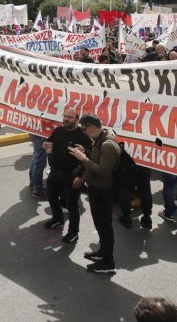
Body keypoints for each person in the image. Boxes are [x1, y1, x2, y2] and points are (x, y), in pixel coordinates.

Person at [69, 114, 120, 274]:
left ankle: (108, 262)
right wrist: (88, 153)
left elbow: (104, 172)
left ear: (91, 128)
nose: (83, 132)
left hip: (103, 191)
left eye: (84, 129)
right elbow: (97, 160)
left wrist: (84, 159)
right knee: (100, 224)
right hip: (96, 189)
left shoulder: (108, 145)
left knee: (105, 225)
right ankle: (102, 253)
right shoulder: (99, 140)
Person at [42, 107, 93, 243]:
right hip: (55, 173)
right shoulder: (58, 131)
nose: (66, 119)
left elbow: (90, 157)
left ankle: (73, 232)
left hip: (72, 176)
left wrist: (81, 177)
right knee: (51, 196)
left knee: (72, 205)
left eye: (69, 117)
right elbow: (49, 143)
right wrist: (45, 145)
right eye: (65, 116)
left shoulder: (83, 136)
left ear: (77, 120)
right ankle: (58, 219)